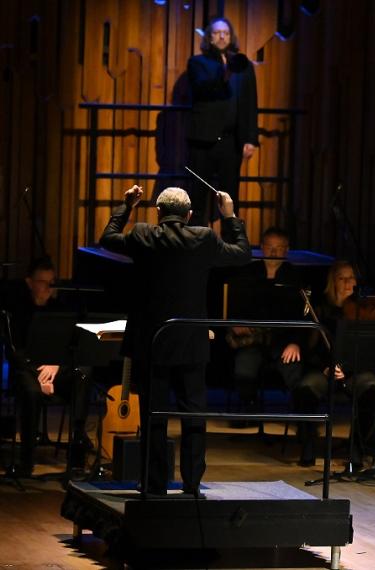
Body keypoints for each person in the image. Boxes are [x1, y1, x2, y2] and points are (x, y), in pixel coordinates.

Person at [100, 185, 250, 497]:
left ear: (158, 212)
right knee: (193, 415)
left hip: (151, 343)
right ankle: (192, 485)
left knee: (154, 416)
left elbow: (107, 238)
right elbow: (243, 254)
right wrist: (230, 216)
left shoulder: (143, 234)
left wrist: (126, 206)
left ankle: (154, 486)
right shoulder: (204, 238)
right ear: (189, 215)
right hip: (190, 342)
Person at [3, 257, 91, 477]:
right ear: (29, 282)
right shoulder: (18, 311)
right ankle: (26, 461)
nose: (48, 288)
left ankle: (77, 456)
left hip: (54, 371)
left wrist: (57, 366)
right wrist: (40, 376)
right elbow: (15, 351)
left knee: (83, 374)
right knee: (31, 392)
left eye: (52, 282)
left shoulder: (60, 309)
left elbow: (70, 345)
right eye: (43, 282)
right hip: (27, 372)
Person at [299, 261, 375, 469]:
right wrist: (326, 367)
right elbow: (310, 348)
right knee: (306, 387)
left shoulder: (364, 309)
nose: (348, 283)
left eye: (351, 278)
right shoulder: (319, 307)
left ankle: (357, 451)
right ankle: (307, 446)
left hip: (355, 371)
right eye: (342, 278)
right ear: (333, 281)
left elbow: (370, 349)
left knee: (371, 385)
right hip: (325, 370)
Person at [226, 228, 305, 435]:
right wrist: (235, 322)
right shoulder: (248, 273)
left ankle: (302, 416)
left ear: (287, 250)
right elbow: (233, 306)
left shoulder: (295, 276)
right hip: (253, 339)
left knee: (294, 368)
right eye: (270, 246)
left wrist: (295, 341)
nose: (274, 251)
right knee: (244, 368)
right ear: (262, 247)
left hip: (283, 340)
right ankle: (249, 408)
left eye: (279, 248)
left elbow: (303, 315)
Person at [186, 16, 258, 226]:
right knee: (198, 197)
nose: (222, 36)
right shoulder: (197, 62)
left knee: (229, 199)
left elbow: (250, 103)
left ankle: (230, 250)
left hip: (231, 141)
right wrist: (224, 74)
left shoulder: (242, 65)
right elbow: (201, 89)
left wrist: (250, 138)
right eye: (217, 32)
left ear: (231, 37)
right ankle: (196, 248)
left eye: (226, 33)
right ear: (209, 37)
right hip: (203, 140)